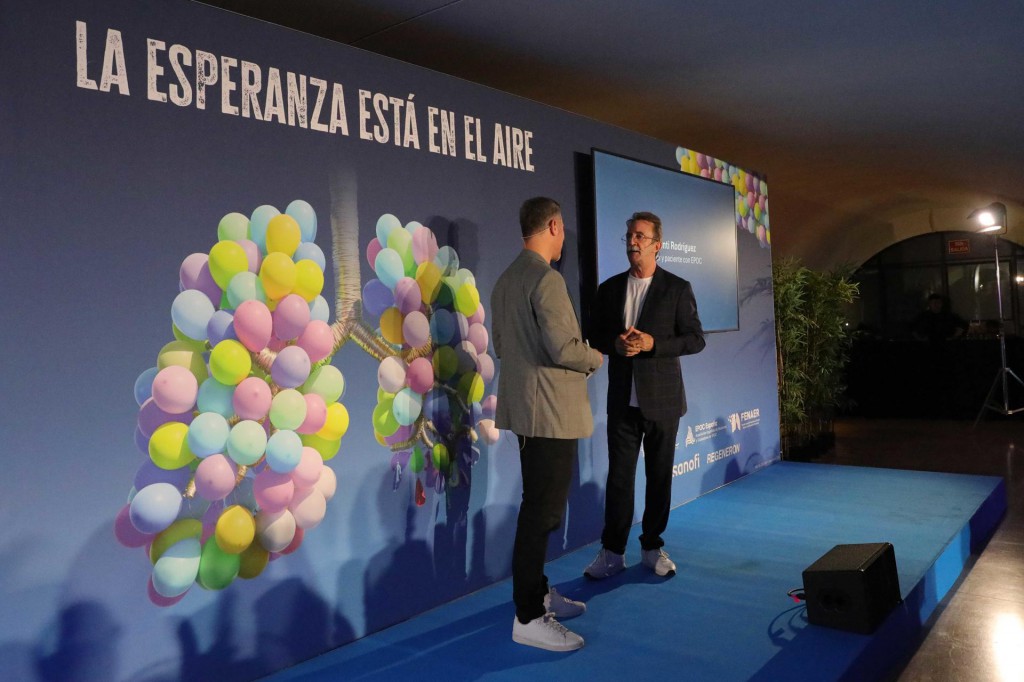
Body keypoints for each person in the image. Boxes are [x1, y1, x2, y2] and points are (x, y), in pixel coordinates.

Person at [491, 197, 604, 652]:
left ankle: (536, 594)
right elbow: (564, 348)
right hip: (551, 414)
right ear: (554, 226)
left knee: (537, 507)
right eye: (562, 231)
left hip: (526, 411)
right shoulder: (547, 278)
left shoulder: (505, 281)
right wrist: (596, 356)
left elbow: (502, 345)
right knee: (540, 513)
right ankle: (529, 616)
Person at [584, 211, 705, 580]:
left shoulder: (677, 288)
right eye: (629, 236)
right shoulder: (609, 289)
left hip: (663, 401)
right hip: (622, 400)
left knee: (658, 477)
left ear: (657, 245)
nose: (632, 242)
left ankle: (652, 547)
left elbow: (695, 339)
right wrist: (615, 345)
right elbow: (595, 335)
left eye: (640, 236)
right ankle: (612, 552)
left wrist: (654, 344)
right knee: (619, 479)